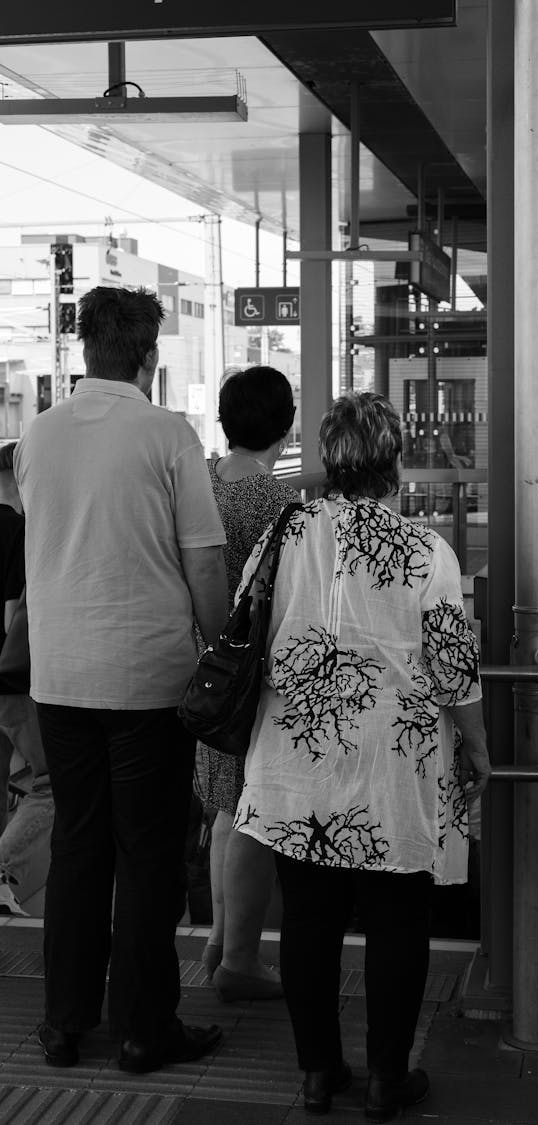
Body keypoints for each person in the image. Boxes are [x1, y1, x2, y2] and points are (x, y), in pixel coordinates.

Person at [232, 391, 490, 1121]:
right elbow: (452, 669)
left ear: (328, 458)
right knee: (397, 920)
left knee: (307, 920)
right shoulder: (424, 552)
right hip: (392, 771)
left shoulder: (284, 533)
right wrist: (479, 748)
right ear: (394, 461)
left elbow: (246, 621)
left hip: (296, 757)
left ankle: (318, 1072)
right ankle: (386, 1077)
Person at [14, 286, 228, 1074]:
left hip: (59, 674)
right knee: (146, 853)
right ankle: (144, 1028)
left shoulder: (36, 434)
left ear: (82, 351)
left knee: (78, 843)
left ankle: (65, 1021)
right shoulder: (167, 433)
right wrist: (220, 646)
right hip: (146, 678)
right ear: (149, 356)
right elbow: (204, 558)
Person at [194, 364, 300, 1001]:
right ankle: (239, 958)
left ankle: (217, 941)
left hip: (209, 671)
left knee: (224, 815)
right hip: (258, 679)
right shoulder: (279, 505)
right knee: (252, 815)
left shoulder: (202, 484)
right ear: (284, 430)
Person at [0, 442, 54, 916]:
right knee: (48, 785)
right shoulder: (15, 529)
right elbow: (12, 620)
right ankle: (2, 869)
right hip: (11, 685)